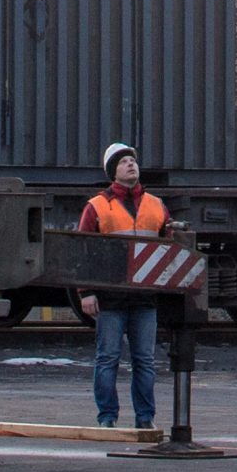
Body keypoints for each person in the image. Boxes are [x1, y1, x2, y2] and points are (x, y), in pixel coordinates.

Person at [78, 141, 167, 430]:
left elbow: (171, 247)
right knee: (108, 360)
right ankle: (107, 418)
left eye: (132, 160)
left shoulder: (156, 206)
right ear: (112, 173)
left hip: (144, 299)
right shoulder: (96, 207)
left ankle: (145, 419)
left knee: (145, 361)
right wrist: (86, 292)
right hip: (111, 297)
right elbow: (83, 252)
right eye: (123, 162)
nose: (131, 164)